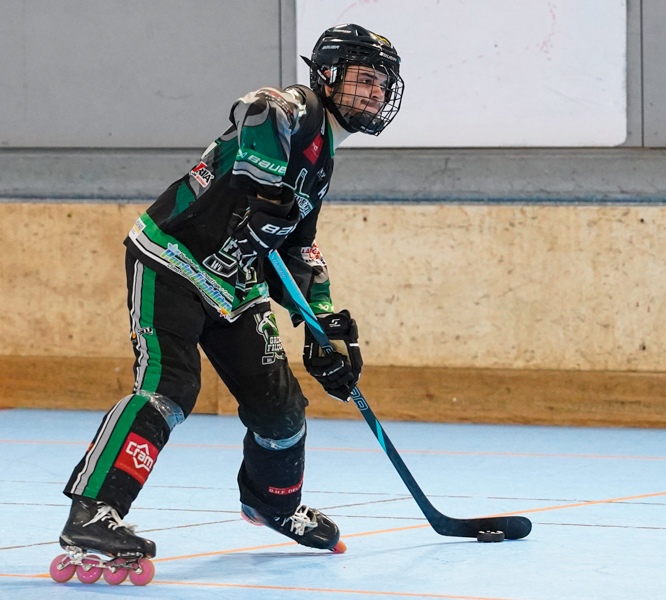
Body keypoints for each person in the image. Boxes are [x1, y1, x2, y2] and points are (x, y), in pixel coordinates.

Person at [55, 23, 404, 572]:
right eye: (364, 80)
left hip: (234, 286)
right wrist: (263, 187)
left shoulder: (321, 162)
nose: (375, 94)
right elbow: (259, 107)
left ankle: (272, 502)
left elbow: (298, 249)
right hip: (172, 259)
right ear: (329, 77)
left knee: (281, 410)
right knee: (170, 386)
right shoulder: (297, 111)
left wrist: (324, 326)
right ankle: (93, 512)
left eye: (382, 87)